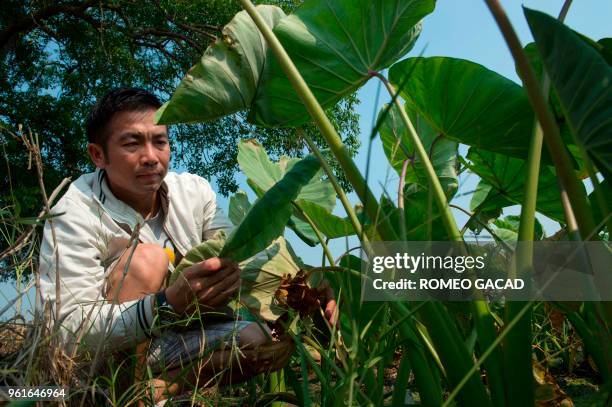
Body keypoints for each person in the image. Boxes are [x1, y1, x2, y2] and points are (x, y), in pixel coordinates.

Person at [38, 87, 336, 402]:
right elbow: (69, 331)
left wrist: (309, 282)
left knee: (260, 342)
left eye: (160, 142)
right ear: (98, 155)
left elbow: (241, 252)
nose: (151, 157)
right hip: (101, 355)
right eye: (132, 143)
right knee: (147, 262)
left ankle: (158, 390)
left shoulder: (194, 194)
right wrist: (164, 305)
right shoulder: (73, 211)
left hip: (165, 343)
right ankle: (117, 395)